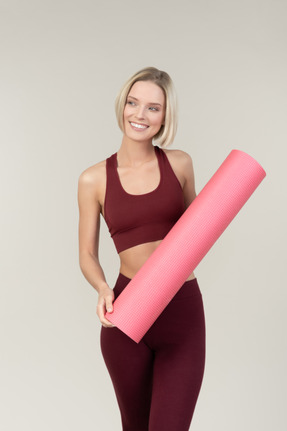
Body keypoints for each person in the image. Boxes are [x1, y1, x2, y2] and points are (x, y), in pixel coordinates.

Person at [77, 67, 206, 431]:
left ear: (165, 116)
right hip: (127, 310)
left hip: (181, 313)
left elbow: (199, 231)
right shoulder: (93, 178)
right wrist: (103, 289)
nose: (140, 114)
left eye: (153, 107)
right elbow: (87, 253)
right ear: (122, 106)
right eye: (133, 103)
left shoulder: (180, 164)